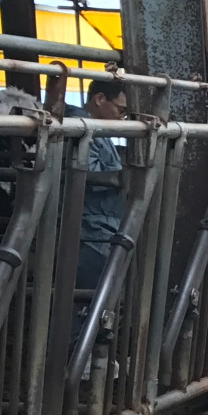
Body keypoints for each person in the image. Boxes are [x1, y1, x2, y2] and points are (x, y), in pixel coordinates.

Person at [78, 77, 129, 295]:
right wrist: (126, 178)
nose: (123, 117)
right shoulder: (82, 127)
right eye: (121, 109)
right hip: (89, 234)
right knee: (88, 302)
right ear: (100, 99)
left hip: (100, 233)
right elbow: (86, 175)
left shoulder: (100, 130)